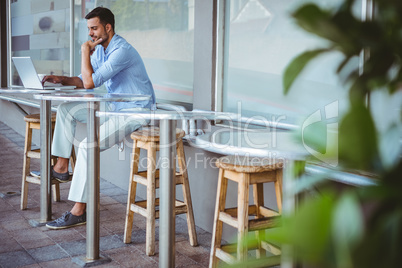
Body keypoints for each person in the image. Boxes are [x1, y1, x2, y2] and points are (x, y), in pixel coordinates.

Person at [40, 7, 155, 229]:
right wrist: (61, 78)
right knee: (66, 109)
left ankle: (79, 211)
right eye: (89, 29)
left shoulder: (121, 51)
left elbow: (90, 83)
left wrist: (84, 51)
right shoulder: (102, 49)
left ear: (108, 27)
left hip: (134, 112)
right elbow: (85, 79)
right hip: (114, 108)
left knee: (86, 147)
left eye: (94, 28)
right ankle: (62, 167)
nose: (90, 34)